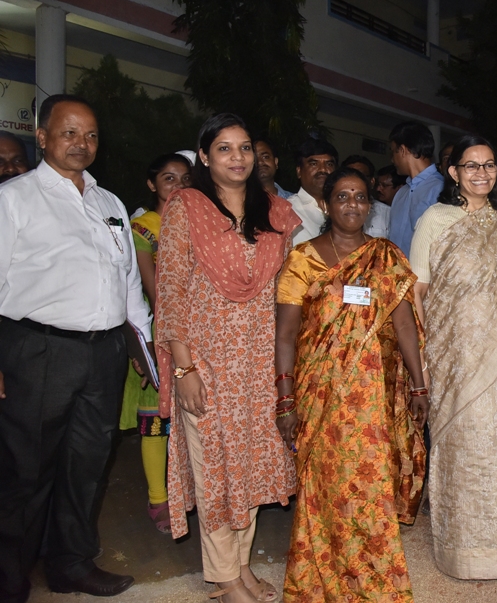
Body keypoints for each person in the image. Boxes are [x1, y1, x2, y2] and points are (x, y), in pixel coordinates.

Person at [0, 94, 150, 601]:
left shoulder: (109, 203)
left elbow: (129, 281)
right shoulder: (14, 198)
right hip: (38, 350)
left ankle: (71, 564)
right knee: (26, 469)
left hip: (102, 353)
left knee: (87, 465)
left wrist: (142, 345)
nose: (81, 144)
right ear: (41, 137)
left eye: (89, 135)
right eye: (69, 133)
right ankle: (9, 575)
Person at [156, 113, 300, 602]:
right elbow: (171, 293)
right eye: (224, 148)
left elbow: (290, 290)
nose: (238, 158)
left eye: (245, 149)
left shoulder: (278, 214)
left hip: (260, 362)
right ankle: (223, 576)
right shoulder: (186, 208)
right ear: (203, 156)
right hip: (207, 362)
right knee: (215, 465)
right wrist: (183, 368)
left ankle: (239, 567)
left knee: (253, 464)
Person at [275, 167, 428, 602]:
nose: (352, 205)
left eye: (360, 198)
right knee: (322, 488)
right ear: (325, 204)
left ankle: (373, 582)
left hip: (370, 398)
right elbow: (285, 334)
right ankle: (319, 581)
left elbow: (404, 325)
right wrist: (285, 400)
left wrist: (419, 386)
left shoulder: (386, 256)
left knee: (368, 486)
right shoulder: (302, 259)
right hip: (319, 393)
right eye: (342, 197)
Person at [410, 135, 497, 580]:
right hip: (451, 358)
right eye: (471, 166)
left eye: (489, 166)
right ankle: (460, 551)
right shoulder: (436, 219)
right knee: (459, 447)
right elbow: (418, 291)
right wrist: (423, 360)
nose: (482, 174)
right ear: (454, 173)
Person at [119, 152, 192, 535]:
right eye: (168, 178)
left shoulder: (199, 224)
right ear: (152, 185)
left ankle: (187, 492)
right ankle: (158, 498)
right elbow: (152, 288)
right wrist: (145, 346)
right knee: (155, 422)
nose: (177, 185)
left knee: (191, 419)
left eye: (184, 178)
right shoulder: (142, 228)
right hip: (155, 332)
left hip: (197, 335)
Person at [389, 121, 443, 256]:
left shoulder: (440, 189)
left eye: (393, 152)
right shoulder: (401, 193)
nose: (392, 160)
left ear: (402, 150)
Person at [288, 137, 338, 244]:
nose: (323, 169)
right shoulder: (287, 210)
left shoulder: (345, 208)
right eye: (314, 164)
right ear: (299, 171)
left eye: (329, 164)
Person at [341, 154, 390, 238]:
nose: (355, 181)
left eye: (361, 176)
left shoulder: (388, 213)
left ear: (372, 182)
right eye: (350, 176)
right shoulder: (335, 209)